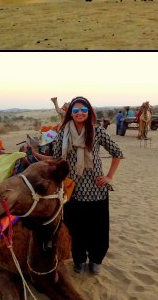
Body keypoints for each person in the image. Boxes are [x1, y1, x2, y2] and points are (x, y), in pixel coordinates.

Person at [45, 96, 124, 275]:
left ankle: (96, 260)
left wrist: (109, 176)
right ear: (70, 114)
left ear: (89, 112)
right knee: (75, 228)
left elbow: (117, 152)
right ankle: (79, 259)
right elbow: (57, 158)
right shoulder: (63, 132)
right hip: (73, 189)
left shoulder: (97, 131)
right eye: (75, 110)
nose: (80, 113)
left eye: (83, 110)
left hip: (97, 189)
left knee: (98, 228)